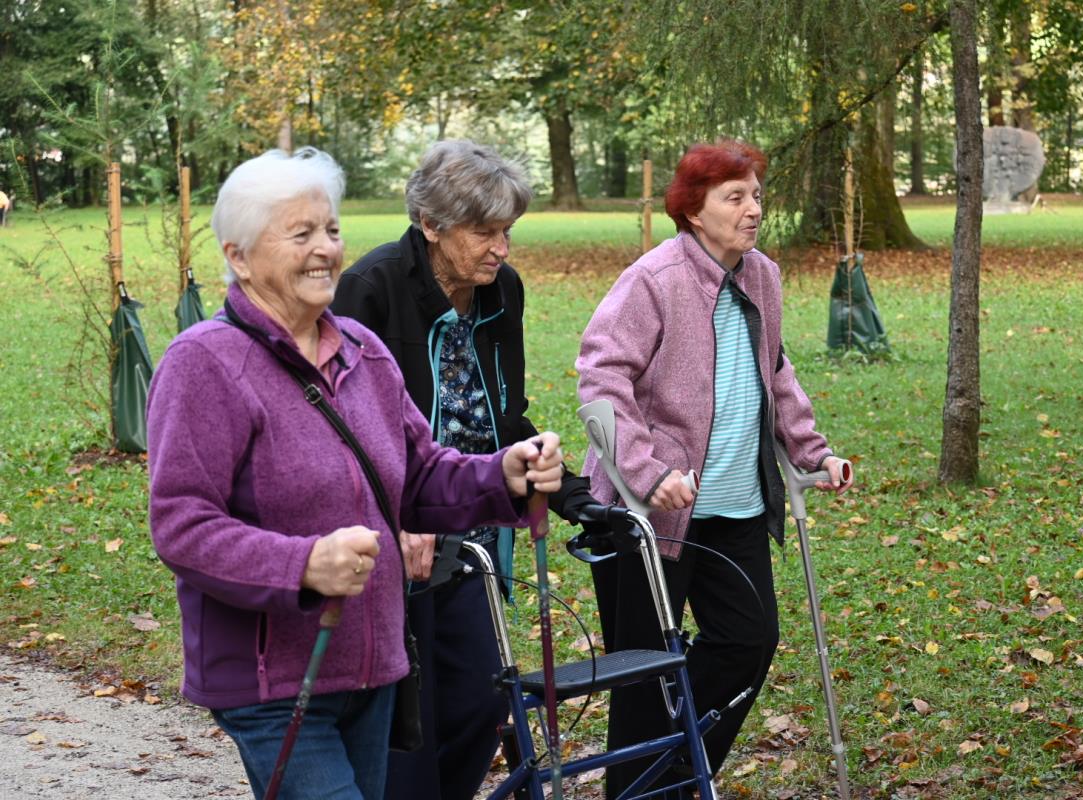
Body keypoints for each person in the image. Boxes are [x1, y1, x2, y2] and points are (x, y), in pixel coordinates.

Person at [146, 147, 564, 800]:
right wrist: (303, 565)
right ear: (239, 257)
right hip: (273, 682)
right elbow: (182, 525)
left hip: (373, 668)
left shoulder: (364, 353)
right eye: (301, 234)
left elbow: (420, 478)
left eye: (332, 229)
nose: (325, 249)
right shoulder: (205, 363)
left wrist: (502, 475)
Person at [576, 139, 854, 799]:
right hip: (649, 517)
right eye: (736, 197)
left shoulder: (763, 276)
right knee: (645, 679)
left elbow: (774, 370)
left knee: (747, 643)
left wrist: (813, 453)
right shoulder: (654, 279)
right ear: (694, 209)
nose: (754, 209)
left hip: (736, 506)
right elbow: (600, 379)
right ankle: (644, 786)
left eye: (756, 195)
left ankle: (675, 772)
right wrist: (646, 474)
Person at [331, 139, 597, 800]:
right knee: (409, 729)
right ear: (431, 224)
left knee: (481, 706)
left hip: (474, 530)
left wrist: (569, 488)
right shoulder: (370, 289)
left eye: (508, 231)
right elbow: (339, 429)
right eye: (484, 232)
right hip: (394, 538)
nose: (501, 248)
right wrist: (392, 519)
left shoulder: (501, 291)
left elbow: (507, 415)